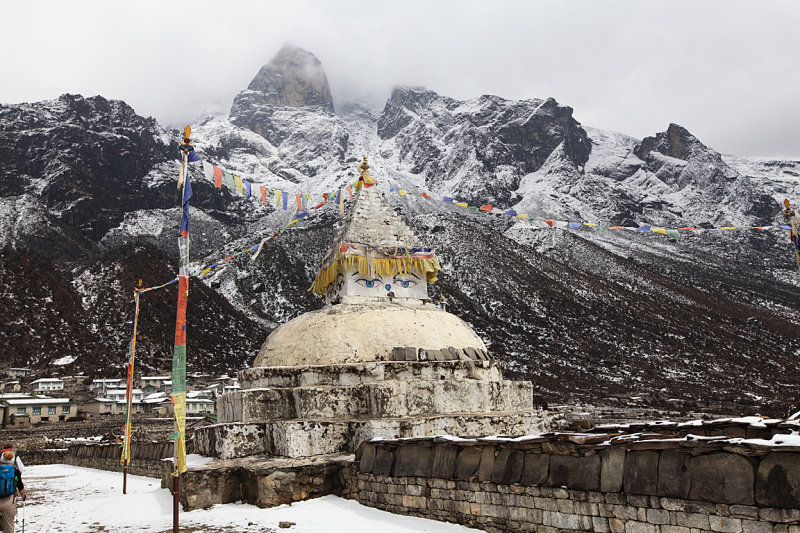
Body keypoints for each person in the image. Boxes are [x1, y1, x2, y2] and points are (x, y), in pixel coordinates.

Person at [0, 450, 25, 533]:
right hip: (9, 500)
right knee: (9, 525)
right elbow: (20, 485)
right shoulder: (15, 472)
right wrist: (24, 496)